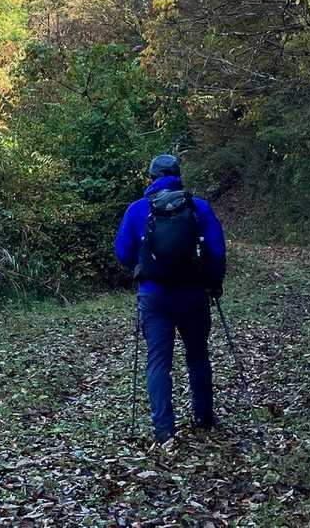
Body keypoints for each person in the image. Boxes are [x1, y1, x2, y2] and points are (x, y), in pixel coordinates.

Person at [113, 153, 226, 443]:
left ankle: (164, 431)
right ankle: (204, 418)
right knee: (198, 356)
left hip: (154, 296)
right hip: (193, 294)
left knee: (158, 362)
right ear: (178, 176)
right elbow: (216, 251)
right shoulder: (199, 207)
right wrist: (214, 283)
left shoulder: (137, 209)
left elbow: (122, 251)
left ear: (151, 178)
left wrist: (140, 267)